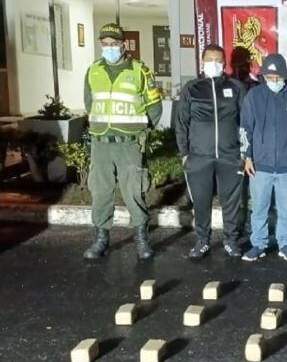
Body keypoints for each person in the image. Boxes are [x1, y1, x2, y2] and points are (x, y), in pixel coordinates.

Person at [82, 22, 163, 260]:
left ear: (123, 45)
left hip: (129, 143)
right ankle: (100, 239)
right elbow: (90, 104)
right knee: (100, 192)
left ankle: (141, 238)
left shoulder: (140, 71)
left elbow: (154, 107)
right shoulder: (93, 71)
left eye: (114, 44)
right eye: (105, 44)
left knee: (134, 191)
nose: (109, 48)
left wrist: (142, 132)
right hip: (101, 144)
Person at [176, 44, 247, 259]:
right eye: (210, 60)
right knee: (201, 201)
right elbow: (181, 123)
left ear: (224, 64)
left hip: (230, 156)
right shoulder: (191, 88)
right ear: (202, 61)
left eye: (218, 60)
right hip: (199, 157)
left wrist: (244, 153)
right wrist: (184, 153)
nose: (214, 64)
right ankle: (202, 241)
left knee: (231, 202)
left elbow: (245, 121)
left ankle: (231, 240)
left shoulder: (236, 87)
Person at [239, 54, 287, 262]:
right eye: (269, 78)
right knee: (259, 207)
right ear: (263, 77)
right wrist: (247, 157)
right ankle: (258, 244)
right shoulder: (254, 96)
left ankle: (285, 244)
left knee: (286, 207)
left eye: (277, 78)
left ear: (285, 76)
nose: (274, 82)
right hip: (260, 165)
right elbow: (245, 128)